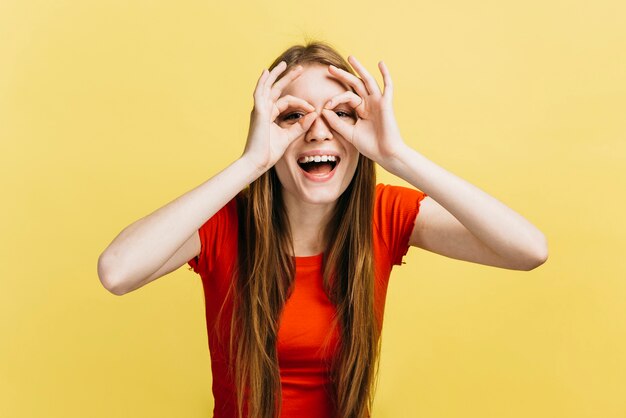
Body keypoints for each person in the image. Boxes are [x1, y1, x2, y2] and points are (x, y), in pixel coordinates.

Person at [97, 41, 548, 418]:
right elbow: (117, 272)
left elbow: (528, 250)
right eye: (294, 116)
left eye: (340, 114)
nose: (318, 132)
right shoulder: (222, 222)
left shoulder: (383, 214)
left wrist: (397, 156)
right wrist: (250, 164)